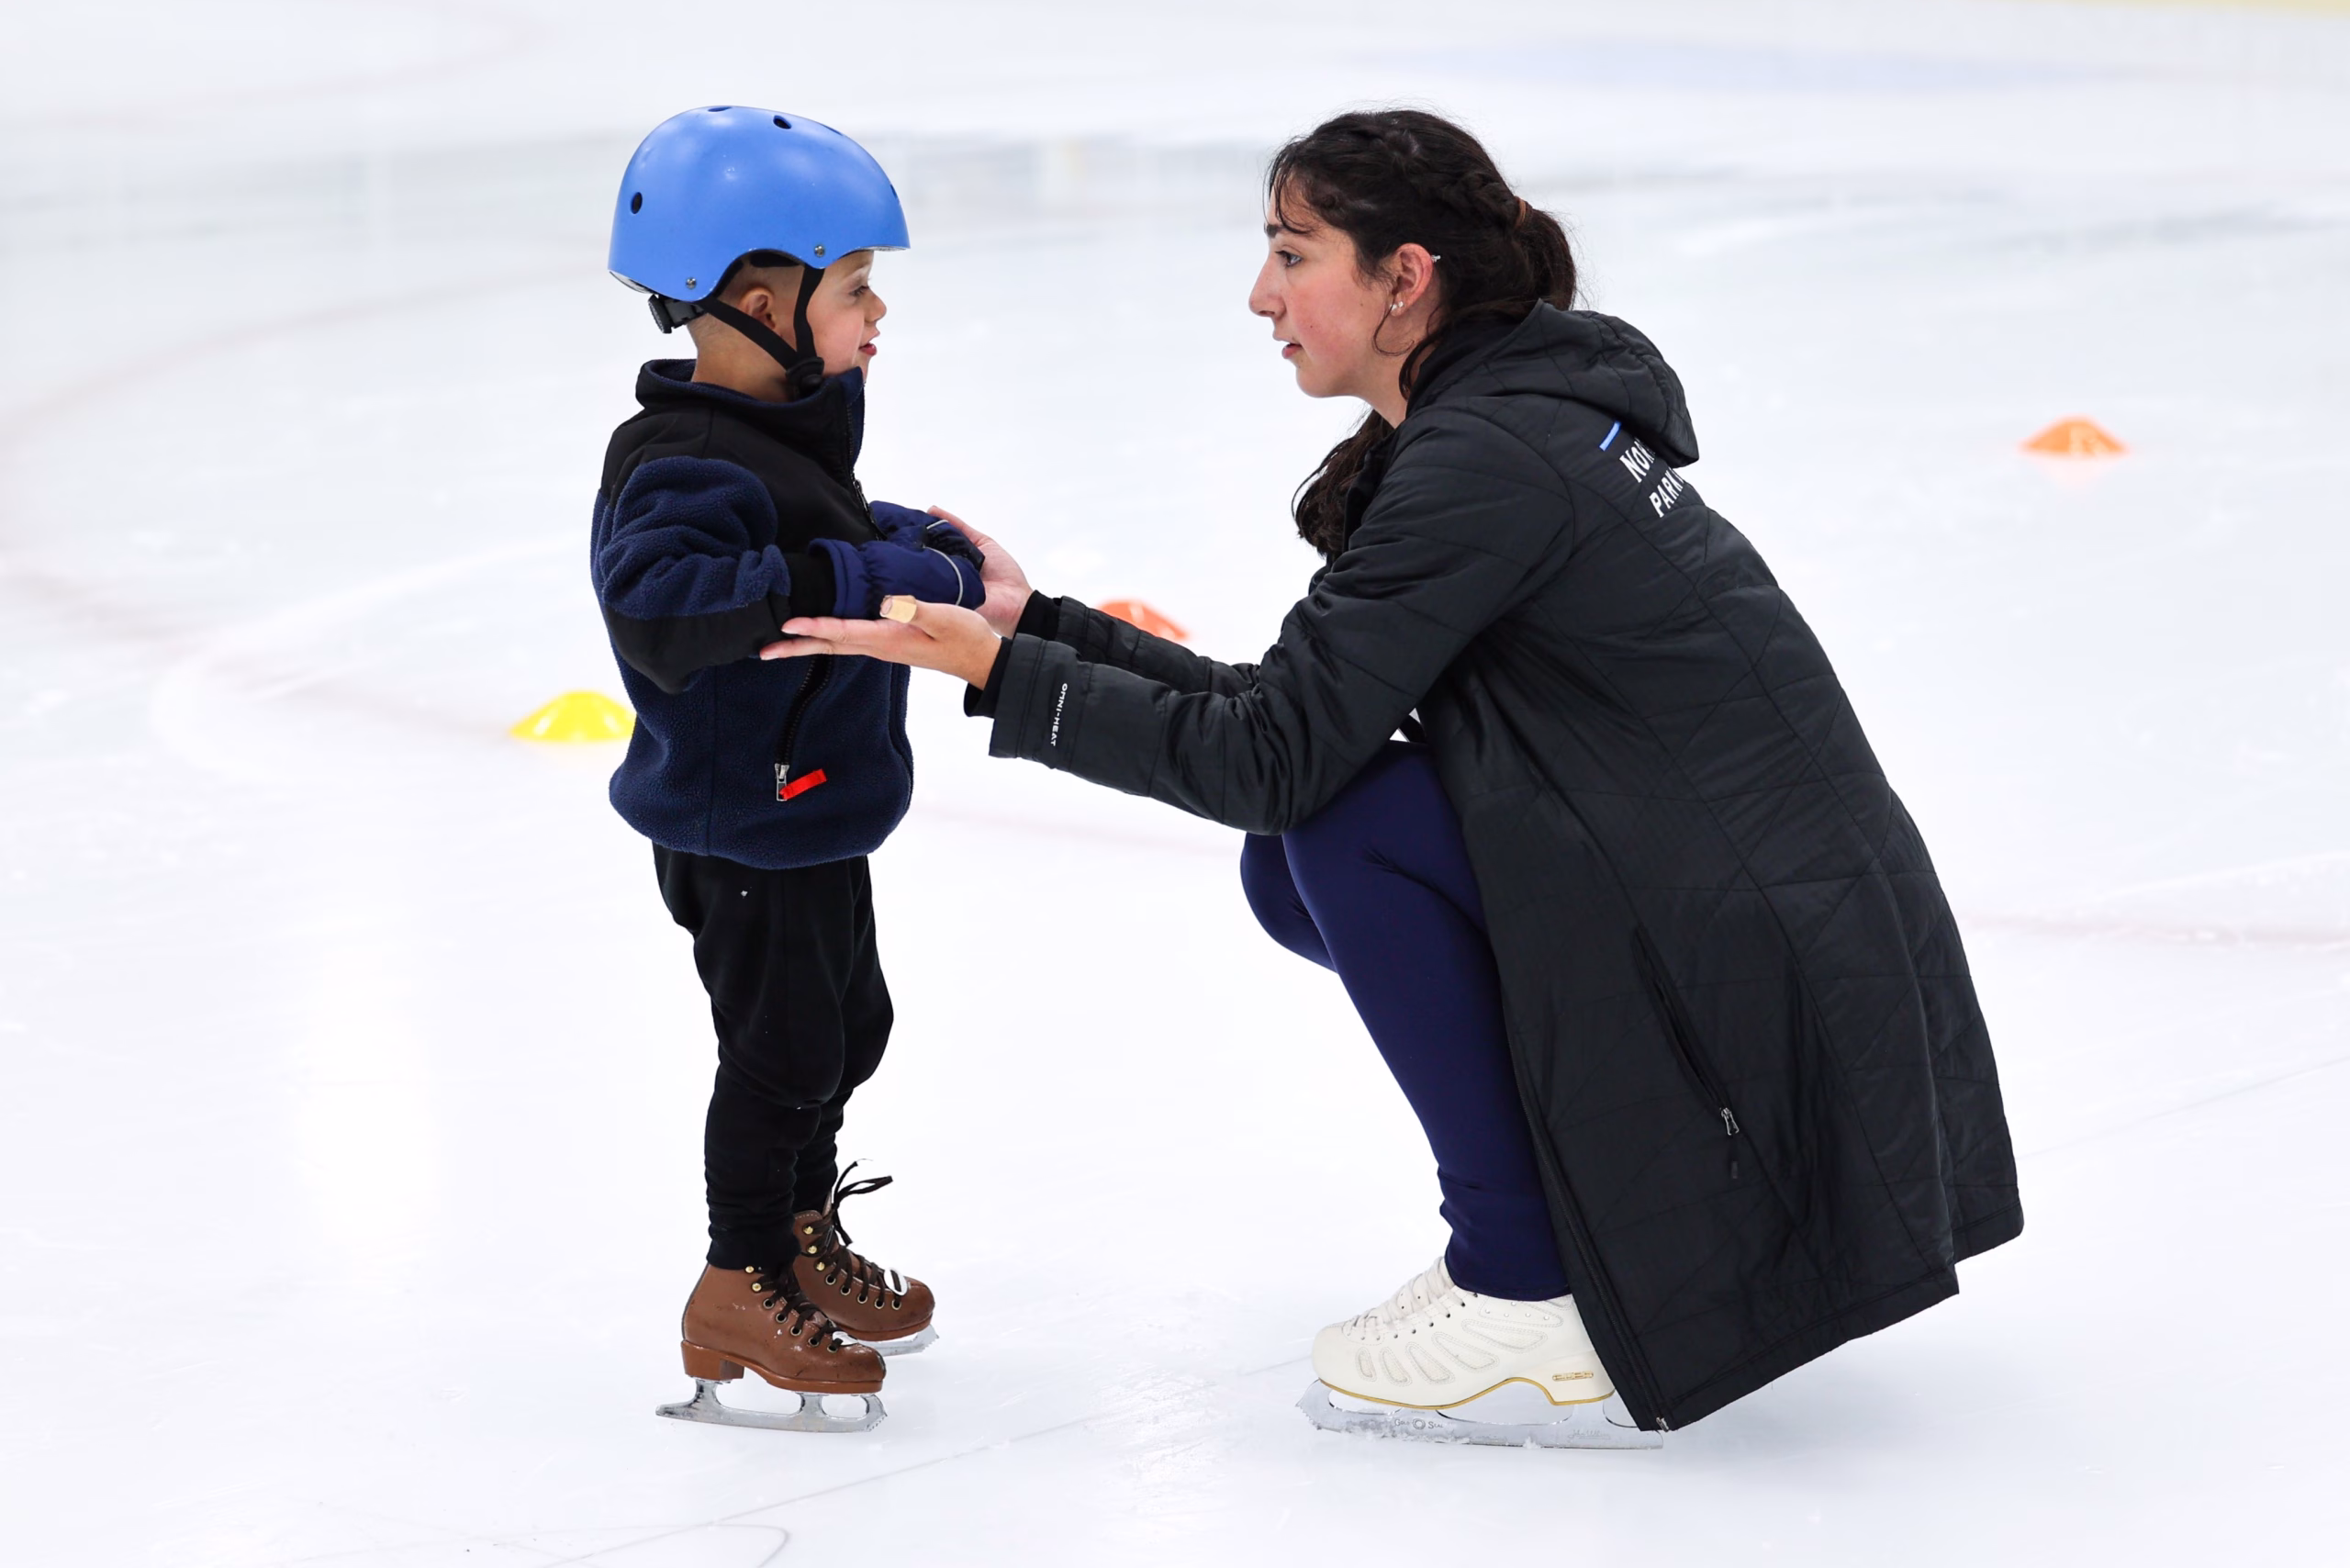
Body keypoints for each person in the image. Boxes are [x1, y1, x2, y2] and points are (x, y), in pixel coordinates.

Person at [765, 109, 2022, 1446]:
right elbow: (1296, 714)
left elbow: (1274, 756)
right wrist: (1039, 632)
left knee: (1342, 825)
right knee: (1304, 846)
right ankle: (1554, 1228)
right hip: (1754, 930)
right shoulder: (1507, 421)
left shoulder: (1486, 460)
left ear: (1404, 279)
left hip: (1770, 980)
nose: (1262, 296)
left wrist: (1008, 676)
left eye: (1293, 254)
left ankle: (1527, 1282)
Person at [595, 105, 985, 1432]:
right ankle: (739, 1278)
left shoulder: (777, 432)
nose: (878, 314)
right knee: (781, 1049)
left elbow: (816, 526)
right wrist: (852, 572)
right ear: (761, 304)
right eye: (856, 287)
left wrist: (898, 539)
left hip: (810, 805)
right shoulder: (682, 461)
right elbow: (660, 599)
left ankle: (803, 1233)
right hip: (742, 819)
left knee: (848, 1026)